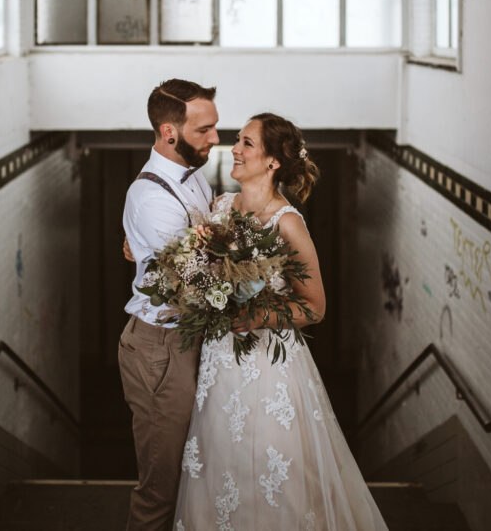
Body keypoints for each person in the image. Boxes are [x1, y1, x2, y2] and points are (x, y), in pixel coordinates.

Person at [173, 113, 388, 530]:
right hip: (219, 363)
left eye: (246, 143)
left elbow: (315, 307)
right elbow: (187, 262)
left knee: (270, 469)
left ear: (272, 161)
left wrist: (260, 314)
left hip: (268, 367)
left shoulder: (286, 222)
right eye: (237, 140)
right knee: (220, 461)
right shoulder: (219, 207)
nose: (235, 149)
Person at [119, 78, 220, 531]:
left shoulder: (194, 173)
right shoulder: (150, 199)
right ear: (169, 132)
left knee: (196, 471)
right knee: (161, 487)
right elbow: (197, 284)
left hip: (192, 338)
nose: (216, 138)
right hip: (160, 347)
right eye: (205, 130)